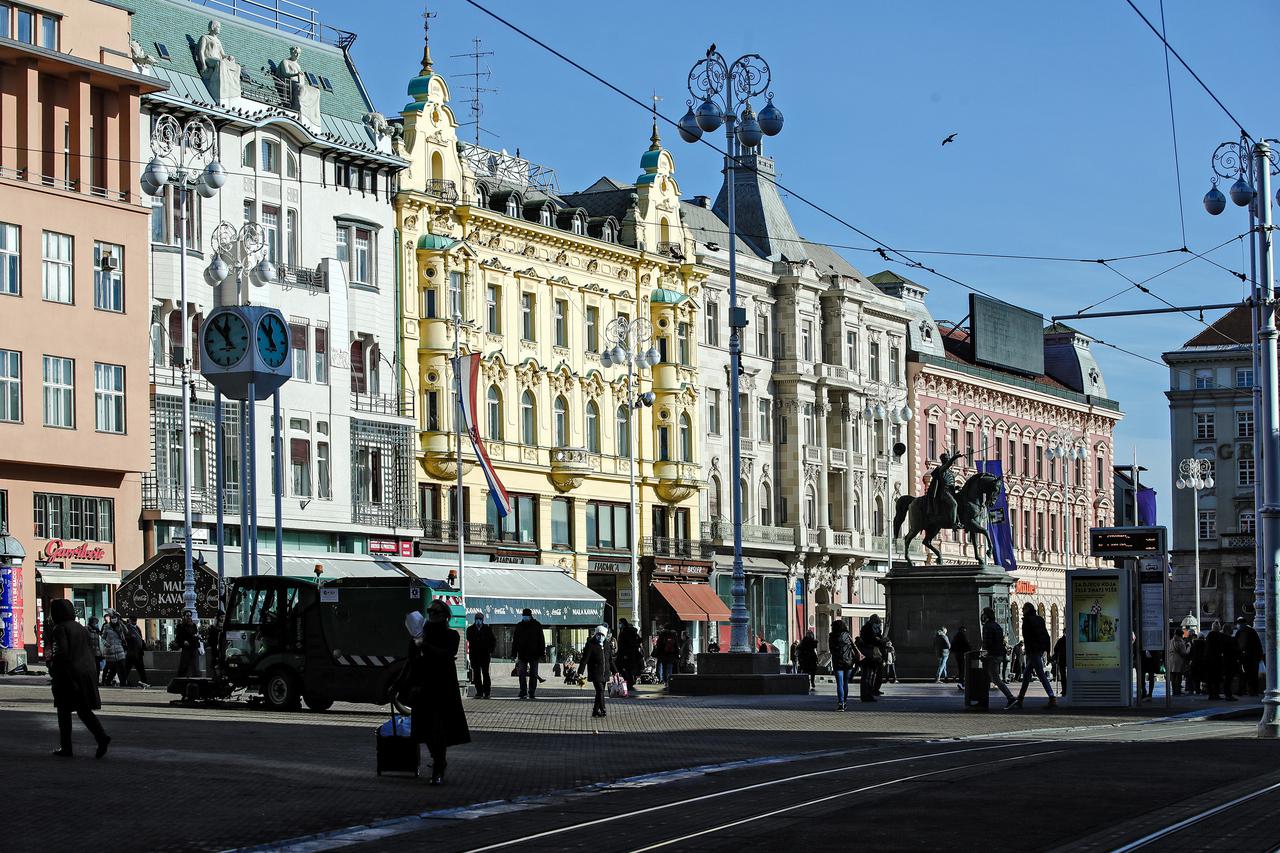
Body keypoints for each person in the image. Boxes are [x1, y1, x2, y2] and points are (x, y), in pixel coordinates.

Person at [403, 602, 471, 785]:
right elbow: (411, 660)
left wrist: (423, 645)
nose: (432, 614)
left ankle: (439, 766)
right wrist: (408, 683)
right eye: (429, 611)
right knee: (424, 729)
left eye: (436, 611)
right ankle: (437, 760)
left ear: (445, 615)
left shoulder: (451, 635)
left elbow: (447, 654)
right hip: (423, 687)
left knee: (438, 729)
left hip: (443, 688)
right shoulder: (420, 634)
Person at [47, 598, 111, 758]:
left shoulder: (60, 629)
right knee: (83, 709)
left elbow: (62, 652)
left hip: (68, 674)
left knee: (63, 711)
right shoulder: (81, 628)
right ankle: (101, 736)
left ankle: (66, 747)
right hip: (86, 672)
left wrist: (54, 668)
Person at [1012, 603, 1057, 709]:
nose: (1022, 610)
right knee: (1026, 674)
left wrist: (1028, 651)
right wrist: (1047, 651)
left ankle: (1052, 697)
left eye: (1023, 608)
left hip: (1032, 651)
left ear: (1028, 609)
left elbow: (1027, 638)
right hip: (1039, 649)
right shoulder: (1040, 619)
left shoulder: (1027, 621)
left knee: (1040, 674)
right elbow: (1046, 636)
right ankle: (1020, 698)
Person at [980, 607, 1016, 708]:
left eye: (984, 614)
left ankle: (1010, 698)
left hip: (991, 656)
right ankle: (983, 700)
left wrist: (983, 654)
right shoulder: (997, 626)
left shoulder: (987, 626)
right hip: (998, 655)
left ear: (986, 616)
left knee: (994, 678)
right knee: (989, 678)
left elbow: (987, 643)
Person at [580, 625, 617, 718]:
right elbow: (584, 659)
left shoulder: (607, 645)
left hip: (605, 673)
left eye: (602, 635)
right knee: (600, 690)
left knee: (600, 692)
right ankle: (603, 709)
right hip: (595, 672)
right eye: (598, 635)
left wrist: (615, 671)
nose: (600, 637)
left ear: (605, 635)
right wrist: (580, 672)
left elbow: (610, 660)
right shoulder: (590, 645)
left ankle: (595, 711)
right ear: (595, 634)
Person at [511, 608, 545, 700]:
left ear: (530, 616)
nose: (525, 617)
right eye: (524, 616)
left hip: (534, 654)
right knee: (522, 674)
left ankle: (531, 691)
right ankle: (523, 691)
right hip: (522, 654)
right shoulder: (519, 626)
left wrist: (541, 652)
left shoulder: (537, 625)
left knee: (533, 674)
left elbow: (541, 640)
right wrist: (514, 653)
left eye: (526, 616)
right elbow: (515, 640)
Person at [465, 612, 495, 699]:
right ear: (475, 620)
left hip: (485, 655)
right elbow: (469, 638)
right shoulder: (470, 629)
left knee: (485, 674)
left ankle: (487, 692)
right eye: (477, 619)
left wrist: (490, 650)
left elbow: (493, 640)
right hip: (475, 655)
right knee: (477, 674)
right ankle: (479, 692)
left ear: (482, 620)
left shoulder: (487, 629)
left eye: (480, 619)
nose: (478, 621)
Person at [857, 615, 886, 702]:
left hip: (873, 654)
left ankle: (869, 693)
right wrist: (880, 641)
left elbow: (877, 639)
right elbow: (871, 640)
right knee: (867, 675)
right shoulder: (867, 629)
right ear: (873, 621)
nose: (878, 624)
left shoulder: (874, 629)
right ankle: (866, 695)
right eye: (877, 622)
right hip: (868, 654)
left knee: (871, 675)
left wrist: (879, 639)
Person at [828, 619, 855, 710]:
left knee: (839, 684)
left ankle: (841, 704)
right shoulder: (847, 635)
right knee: (845, 683)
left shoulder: (832, 637)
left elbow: (831, 650)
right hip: (848, 662)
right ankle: (845, 702)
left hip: (837, 662)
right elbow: (852, 647)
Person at [1236, 617, 1264, 696]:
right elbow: (1258, 644)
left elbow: (1237, 644)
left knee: (1244, 674)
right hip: (1252, 657)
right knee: (1253, 675)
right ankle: (1253, 691)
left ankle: (1242, 690)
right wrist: (1260, 655)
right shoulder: (1252, 631)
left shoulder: (1240, 632)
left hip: (1246, 657)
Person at [121, 617, 150, 688]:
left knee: (141, 669)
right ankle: (123, 682)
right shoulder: (127, 628)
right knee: (127, 669)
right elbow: (125, 637)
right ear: (130, 621)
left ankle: (144, 682)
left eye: (135, 620)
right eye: (133, 620)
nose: (134, 622)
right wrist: (130, 637)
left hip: (138, 652)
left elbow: (140, 638)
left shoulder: (137, 628)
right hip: (131, 652)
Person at [100, 612, 127, 686]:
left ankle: (123, 683)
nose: (114, 619)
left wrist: (121, 624)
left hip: (120, 650)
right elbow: (102, 638)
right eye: (112, 618)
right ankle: (106, 681)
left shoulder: (120, 626)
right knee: (111, 668)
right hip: (110, 651)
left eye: (115, 618)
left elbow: (126, 632)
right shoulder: (106, 627)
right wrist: (106, 644)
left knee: (122, 667)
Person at [616, 618, 642, 691]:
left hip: (626, 654)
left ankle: (629, 682)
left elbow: (624, 644)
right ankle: (629, 682)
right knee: (627, 668)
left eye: (620, 623)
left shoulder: (626, 632)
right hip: (628, 653)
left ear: (623, 623)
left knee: (625, 669)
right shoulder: (624, 631)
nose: (619, 624)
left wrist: (625, 654)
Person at [1204, 622, 1227, 700]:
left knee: (1210, 678)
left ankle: (1210, 694)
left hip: (1209, 660)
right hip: (1217, 659)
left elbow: (1206, 648)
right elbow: (1222, 647)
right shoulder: (1220, 636)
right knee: (1217, 678)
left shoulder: (1209, 636)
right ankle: (1216, 694)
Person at [174, 611, 201, 679]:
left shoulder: (193, 625)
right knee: (184, 665)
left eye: (190, 615)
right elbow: (178, 638)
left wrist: (196, 637)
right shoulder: (180, 626)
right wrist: (183, 641)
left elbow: (195, 634)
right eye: (187, 616)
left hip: (194, 647)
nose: (189, 617)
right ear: (184, 617)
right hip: (186, 648)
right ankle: (182, 679)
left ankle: (195, 678)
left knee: (195, 665)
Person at [1219, 622, 1240, 701]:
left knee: (1228, 678)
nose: (1232, 630)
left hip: (1225, 661)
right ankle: (1228, 695)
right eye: (1231, 629)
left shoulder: (1222, 638)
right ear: (1228, 630)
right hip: (1230, 661)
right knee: (1229, 678)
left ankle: (1228, 694)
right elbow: (1234, 650)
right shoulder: (1229, 639)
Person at [1166, 629, 1188, 696]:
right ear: (1180, 634)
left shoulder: (1171, 641)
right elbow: (1183, 652)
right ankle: (1177, 691)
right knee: (1178, 677)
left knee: (1173, 677)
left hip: (1171, 660)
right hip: (1178, 661)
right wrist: (1188, 649)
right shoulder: (1180, 642)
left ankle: (1174, 691)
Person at [952, 626, 972, 691]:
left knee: (960, 668)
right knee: (963, 669)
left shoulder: (955, 636)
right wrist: (970, 649)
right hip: (962, 654)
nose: (965, 632)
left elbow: (952, 645)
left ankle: (961, 682)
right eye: (964, 630)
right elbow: (967, 645)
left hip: (957, 654)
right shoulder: (963, 636)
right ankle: (961, 682)